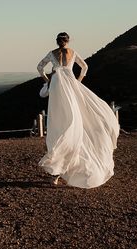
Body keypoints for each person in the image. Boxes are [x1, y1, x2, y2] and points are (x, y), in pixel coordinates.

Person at [36, 32, 119, 188]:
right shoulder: (73, 52)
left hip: (57, 89)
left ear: (57, 42)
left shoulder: (51, 54)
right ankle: (65, 168)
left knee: (58, 124)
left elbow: (40, 67)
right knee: (75, 120)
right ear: (68, 41)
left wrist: (49, 81)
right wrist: (77, 82)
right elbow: (84, 67)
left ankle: (57, 171)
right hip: (71, 86)